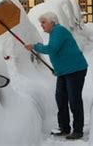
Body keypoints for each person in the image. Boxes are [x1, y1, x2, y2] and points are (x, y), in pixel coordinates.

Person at [25, 12, 88, 140]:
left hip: (75, 70)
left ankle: (78, 130)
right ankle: (64, 128)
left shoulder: (59, 31)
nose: (41, 25)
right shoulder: (55, 33)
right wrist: (58, 70)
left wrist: (35, 46)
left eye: (43, 22)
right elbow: (59, 52)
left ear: (52, 22)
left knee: (74, 100)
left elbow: (52, 49)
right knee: (61, 98)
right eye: (41, 23)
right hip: (65, 71)